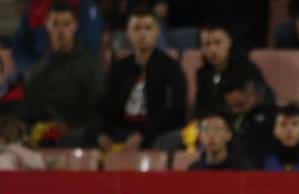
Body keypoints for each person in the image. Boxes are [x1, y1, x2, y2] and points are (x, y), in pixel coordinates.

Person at [98, 6, 186, 152]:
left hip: (156, 132)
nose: (142, 33)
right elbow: (105, 106)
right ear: (128, 32)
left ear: (157, 32)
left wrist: (143, 135)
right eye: (137, 28)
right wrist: (102, 133)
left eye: (148, 28)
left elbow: (175, 112)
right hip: (122, 130)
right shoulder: (119, 68)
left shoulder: (171, 68)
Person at [23, 0, 100, 147]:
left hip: (81, 137)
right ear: (47, 25)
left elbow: (97, 111)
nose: (61, 30)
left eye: (66, 24)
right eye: (56, 24)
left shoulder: (91, 66)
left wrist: (70, 126)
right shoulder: (35, 72)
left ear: (75, 26)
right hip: (44, 137)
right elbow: (31, 113)